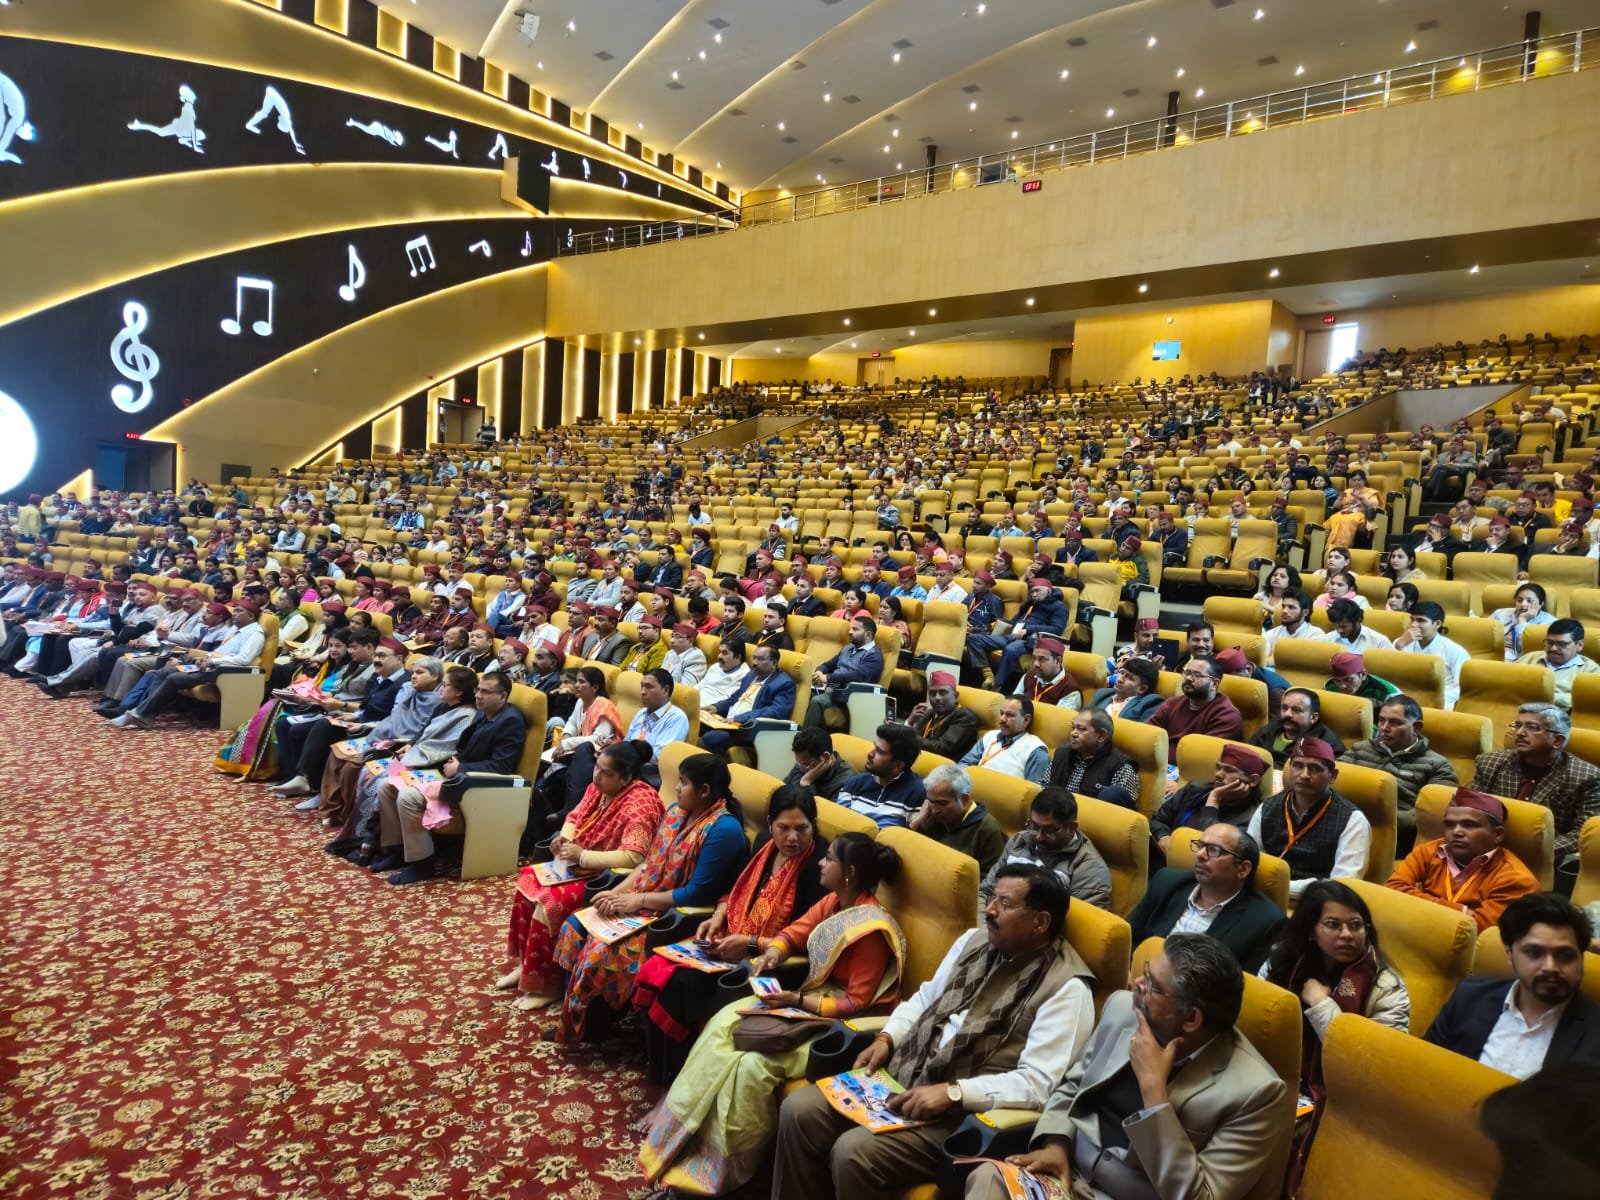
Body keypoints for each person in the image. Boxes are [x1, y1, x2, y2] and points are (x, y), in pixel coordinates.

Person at [772, 866, 1096, 1200]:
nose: (989, 910)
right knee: (799, 1111)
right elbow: (925, 998)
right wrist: (888, 1038)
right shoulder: (974, 941)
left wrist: (955, 1092)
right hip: (904, 1073)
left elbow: (1038, 1085)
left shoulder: (1067, 988)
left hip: (960, 1116)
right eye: (991, 898)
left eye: (1005, 903)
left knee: (852, 1153)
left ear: (1040, 922)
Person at [636, 833, 907, 1195]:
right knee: (724, 1022)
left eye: (829, 858)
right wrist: (773, 953)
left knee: (750, 1065)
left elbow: (858, 1003)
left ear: (850, 872)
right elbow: (794, 934)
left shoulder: (870, 929)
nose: (821, 863)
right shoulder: (833, 902)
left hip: (841, 1026)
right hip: (808, 999)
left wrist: (797, 1000)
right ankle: (679, 1130)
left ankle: (727, 1168)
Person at [964, 934, 1291, 1200]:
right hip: (1068, 1176)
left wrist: (1154, 1094)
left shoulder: (1256, 1092)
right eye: (1145, 972)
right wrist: (1056, 1144)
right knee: (988, 1180)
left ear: (1191, 1018)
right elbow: (1074, 1085)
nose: (1136, 984)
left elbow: (1201, 1196)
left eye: (1153, 986)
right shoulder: (1124, 1009)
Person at [635, 784, 828, 1086]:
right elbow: (733, 888)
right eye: (784, 828)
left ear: (812, 826)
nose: (792, 837)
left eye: (801, 829)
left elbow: (810, 936)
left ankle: (683, 1079)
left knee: (683, 982)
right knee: (659, 968)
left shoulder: (820, 864)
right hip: (733, 940)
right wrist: (717, 917)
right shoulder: (764, 844)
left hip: (771, 964)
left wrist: (751, 944)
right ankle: (663, 1074)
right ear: (770, 824)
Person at [548, 752, 748, 1043]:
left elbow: (696, 893)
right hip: (644, 898)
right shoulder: (676, 812)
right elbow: (647, 864)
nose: (676, 788)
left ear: (704, 790)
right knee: (576, 926)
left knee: (602, 951)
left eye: (683, 783)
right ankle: (574, 1015)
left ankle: (592, 1025)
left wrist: (637, 901)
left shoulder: (724, 829)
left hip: (674, 916)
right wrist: (617, 892)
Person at [1259, 880, 1410, 1191]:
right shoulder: (1282, 960)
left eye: (1356, 925)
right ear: (1310, 930)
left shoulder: (1386, 986)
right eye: (1333, 925)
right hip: (1272, 1074)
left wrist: (1321, 1005)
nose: (1347, 935)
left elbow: (1372, 1066)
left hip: (1343, 1097)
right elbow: (1259, 1019)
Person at [499, 740, 665, 1010]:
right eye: (597, 767)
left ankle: (548, 983)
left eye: (606, 773)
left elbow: (634, 857)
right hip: (579, 861)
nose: (596, 776)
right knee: (528, 878)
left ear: (625, 779)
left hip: (609, 876)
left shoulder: (640, 805)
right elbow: (574, 817)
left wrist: (582, 855)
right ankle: (526, 965)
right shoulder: (597, 788)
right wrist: (565, 839)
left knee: (549, 901)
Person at [372, 669, 528, 884]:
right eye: (478, 690)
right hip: (456, 776)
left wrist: (461, 767)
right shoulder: (483, 713)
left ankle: (422, 864)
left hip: (477, 786)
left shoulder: (510, 721)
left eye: (485, 692)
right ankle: (397, 850)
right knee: (386, 786)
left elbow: (501, 766)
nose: (478, 696)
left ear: (503, 696)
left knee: (408, 797)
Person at [1424, 893, 1600, 1077]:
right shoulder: (1468, 998)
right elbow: (1424, 1068)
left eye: (1565, 955)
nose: (1550, 967)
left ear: (1581, 957)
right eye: (1534, 953)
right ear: (1510, 955)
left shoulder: (1594, 1035)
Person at [1130, 824, 1285, 972]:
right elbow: (1130, 938)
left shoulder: (1266, 922)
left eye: (1214, 850)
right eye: (1200, 846)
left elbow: (1243, 983)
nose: (1200, 855)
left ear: (1243, 869)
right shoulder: (1166, 882)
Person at [1474, 703, 1600, 878]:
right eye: (1518, 725)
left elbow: (1584, 833)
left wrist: (1538, 851)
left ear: (1557, 740)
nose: (1520, 732)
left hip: (1541, 863)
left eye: (1532, 727)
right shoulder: (1489, 763)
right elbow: (1472, 811)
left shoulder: (1587, 777)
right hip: (1486, 853)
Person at [1385, 787, 1539, 930]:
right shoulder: (1427, 851)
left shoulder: (1515, 879)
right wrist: (1464, 912)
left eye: (1469, 825)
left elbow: (1477, 929)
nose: (1456, 832)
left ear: (1497, 835)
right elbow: (1392, 889)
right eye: (1449, 825)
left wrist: (1415, 898)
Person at [1247, 737, 1371, 899]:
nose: (1304, 775)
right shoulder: (1268, 806)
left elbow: (1342, 885)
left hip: (1318, 904)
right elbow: (1248, 859)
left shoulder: (1353, 820)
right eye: (1298, 766)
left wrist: (1279, 886)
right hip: (1264, 897)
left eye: (1315, 768)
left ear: (1333, 775)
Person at [107, 601, 267, 727]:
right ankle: (144, 714)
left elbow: (244, 659)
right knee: (160, 673)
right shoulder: (235, 630)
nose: (234, 614)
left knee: (175, 678)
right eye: (235, 610)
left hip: (226, 671)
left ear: (251, 616)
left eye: (239, 611)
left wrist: (212, 660)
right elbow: (220, 651)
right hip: (211, 665)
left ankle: (141, 714)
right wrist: (204, 658)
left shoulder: (255, 633)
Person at [1338, 694, 1457, 855]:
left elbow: (1430, 814)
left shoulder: (1438, 766)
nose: (1384, 728)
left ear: (1416, 727)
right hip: (1343, 824)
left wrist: (1381, 819)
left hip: (1395, 839)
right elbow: (1333, 781)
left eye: (1394, 722)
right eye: (1381, 720)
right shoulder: (1359, 749)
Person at [977, 787, 1112, 913]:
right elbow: (985, 891)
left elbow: (1075, 924)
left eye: (1049, 831)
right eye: (1034, 826)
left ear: (1072, 828)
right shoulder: (1019, 841)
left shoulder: (1090, 868)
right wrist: (983, 926)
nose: (1039, 837)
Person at [1150, 743, 1267, 861]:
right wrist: (1162, 836)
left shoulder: (1253, 819)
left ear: (1253, 780)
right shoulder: (1196, 790)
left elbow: (1208, 852)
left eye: (1229, 770)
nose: (1218, 774)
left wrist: (1213, 800)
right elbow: (1158, 820)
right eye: (1218, 767)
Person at [537, 665, 624, 821]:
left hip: (600, 756)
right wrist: (566, 736)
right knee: (548, 766)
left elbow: (598, 740)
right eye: (576, 681)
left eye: (581, 682)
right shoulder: (581, 701)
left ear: (595, 687)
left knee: (577, 756)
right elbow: (572, 722)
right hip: (578, 752)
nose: (576, 685)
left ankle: (569, 810)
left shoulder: (604, 706)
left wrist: (568, 744)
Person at [911, 764, 1008, 874]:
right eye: (931, 801)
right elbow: (909, 853)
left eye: (942, 803)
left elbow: (993, 878)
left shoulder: (989, 830)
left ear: (964, 799)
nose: (935, 810)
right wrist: (916, 822)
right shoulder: (930, 815)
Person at [700, 644, 796, 754]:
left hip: (747, 728)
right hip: (728, 722)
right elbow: (735, 698)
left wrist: (738, 718)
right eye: (754, 658)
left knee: (714, 737)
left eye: (761, 659)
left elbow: (776, 712)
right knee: (696, 723)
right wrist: (716, 707)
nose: (754, 663)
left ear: (774, 663)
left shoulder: (784, 683)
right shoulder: (751, 675)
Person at [1149, 656, 1244, 763]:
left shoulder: (1227, 716)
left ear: (1214, 684)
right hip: (1158, 762)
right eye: (1187, 673)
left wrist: (1158, 752)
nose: (1189, 678)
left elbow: (1201, 756)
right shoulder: (1172, 703)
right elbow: (1149, 735)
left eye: (1197, 675)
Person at [834, 723, 927, 828]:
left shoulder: (917, 792)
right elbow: (838, 825)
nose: (870, 754)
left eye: (879, 752)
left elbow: (908, 835)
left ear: (897, 765)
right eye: (874, 747)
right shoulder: (854, 783)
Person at [1048, 708, 1140, 809]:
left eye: (1081, 729)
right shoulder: (1062, 753)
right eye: (1073, 728)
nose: (1073, 733)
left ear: (1101, 736)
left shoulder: (1121, 767)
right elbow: (1043, 787)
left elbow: (1126, 811)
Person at [804, 615, 884, 728]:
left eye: (855, 629)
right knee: (803, 692)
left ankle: (807, 736)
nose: (850, 632)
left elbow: (858, 676)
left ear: (868, 635)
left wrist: (828, 678)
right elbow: (828, 665)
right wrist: (819, 672)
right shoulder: (848, 648)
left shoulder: (874, 656)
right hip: (832, 689)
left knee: (817, 701)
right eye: (850, 628)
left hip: (849, 696)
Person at [959, 697, 1051, 787]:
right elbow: (964, 764)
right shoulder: (990, 736)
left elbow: (1035, 791)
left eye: (1010, 715)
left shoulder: (1035, 751)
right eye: (1001, 713)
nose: (1002, 719)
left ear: (1026, 720)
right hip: (971, 788)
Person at [1393, 601, 1470, 709]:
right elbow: (1392, 675)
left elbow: (1461, 688)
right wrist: (1399, 646)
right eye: (1412, 619)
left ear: (1437, 624)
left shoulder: (1455, 651)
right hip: (1405, 696)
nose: (1414, 625)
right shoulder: (1401, 642)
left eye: (1421, 620)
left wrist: (1432, 698)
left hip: (1440, 701)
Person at [620, 668, 691, 779]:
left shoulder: (676, 718)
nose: (642, 692)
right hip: (630, 763)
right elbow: (627, 741)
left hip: (651, 772)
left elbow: (659, 757)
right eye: (642, 686)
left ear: (665, 690)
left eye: (648, 687)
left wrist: (625, 753)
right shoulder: (641, 713)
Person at [1515, 617, 1600, 710]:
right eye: (1549, 643)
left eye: (1562, 644)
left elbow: (1584, 701)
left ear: (1579, 645)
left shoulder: (1590, 671)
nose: (1553, 648)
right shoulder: (1529, 658)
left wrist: (1540, 696)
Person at [1249, 688, 1346, 768]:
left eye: (1296, 710)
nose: (1287, 714)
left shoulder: (1326, 743)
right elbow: (1248, 752)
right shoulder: (1272, 727)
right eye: (1284, 708)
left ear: (1313, 718)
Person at [901, 669, 980, 760]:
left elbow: (942, 748)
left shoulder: (965, 716)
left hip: (944, 765)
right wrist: (909, 722)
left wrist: (906, 734)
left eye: (942, 693)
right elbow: (908, 740)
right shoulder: (929, 713)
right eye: (932, 693)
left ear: (956, 695)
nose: (937, 698)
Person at [1086, 656, 1163, 722]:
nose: (1120, 679)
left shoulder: (1150, 702)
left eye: (1129, 678)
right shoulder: (1102, 694)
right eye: (1122, 673)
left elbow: (1142, 731)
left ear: (1142, 689)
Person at [1490, 583, 1556, 660]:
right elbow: (1484, 636)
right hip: (1493, 654)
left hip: (1521, 660)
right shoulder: (1500, 613)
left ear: (1541, 604)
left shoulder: (1549, 623)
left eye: (1529, 601)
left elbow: (1524, 649)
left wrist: (1522, 619)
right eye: (1519, 600)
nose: (1523, 604)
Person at [784, 726, 854, 800]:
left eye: (805, 764)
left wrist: (806, 783)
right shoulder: (803, 764)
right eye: (798, 763)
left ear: (825, 757)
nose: (800, 769)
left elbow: (822, 808)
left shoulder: (846, 782)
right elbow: (783, 790)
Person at [1015, 635, 1082, 709]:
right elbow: (1014, 704)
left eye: (1042, 659)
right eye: (1034, 658)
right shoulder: (1028, 676)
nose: (1036, 664)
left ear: (1058, 661)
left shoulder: (1070, 690)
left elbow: (1058, 717)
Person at [1263, 590, 1325, 663]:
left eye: (1291, 607)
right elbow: (1261, 658)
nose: (1284, 611)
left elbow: (1303, 661)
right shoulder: (1273, 633)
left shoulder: (1315, 635)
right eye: (1283, 606)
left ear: (1305, 612)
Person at [1323, 649, 1398, 706]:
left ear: (1363, 675)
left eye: (1349, 680)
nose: (1342, 686)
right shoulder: (1329, 686)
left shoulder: (1387, 694)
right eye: (1337, 681)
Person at [696, 640, 750, 710]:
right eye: (720, 652)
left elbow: (726, 700)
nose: (719, 656)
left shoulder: (744, 676)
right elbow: (700, 685)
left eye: (725, 653)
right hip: (695, 702)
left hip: (708, 708)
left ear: (738, 657)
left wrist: (699, 706)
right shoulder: (716, 666)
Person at [661, 621, 707, 686]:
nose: (672, 640)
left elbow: (686, 686)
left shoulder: (696, 657)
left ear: (690, 641)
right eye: (672, 636)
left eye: (678, 637)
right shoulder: (670, 653)